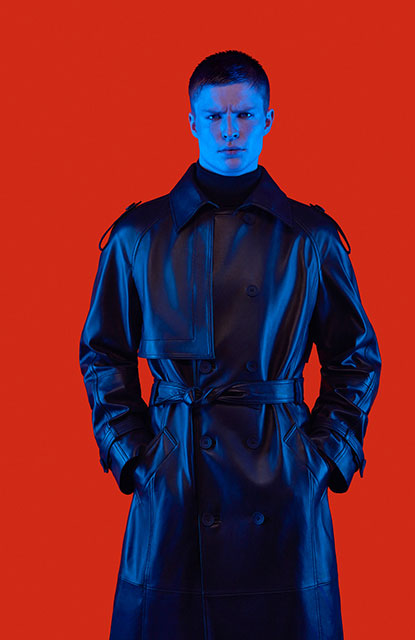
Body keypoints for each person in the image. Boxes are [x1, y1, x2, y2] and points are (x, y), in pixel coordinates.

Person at [79, 49, 381, 640]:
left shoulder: (311, 237)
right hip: (176, 483)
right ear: (191, 122)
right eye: (215, 117)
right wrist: (134, 456)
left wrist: (321, 459)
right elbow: (102, 353)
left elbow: (356, 358)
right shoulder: (139, 235)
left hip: (283, 483)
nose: (230, 131)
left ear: (268, 119)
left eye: (244, 115)